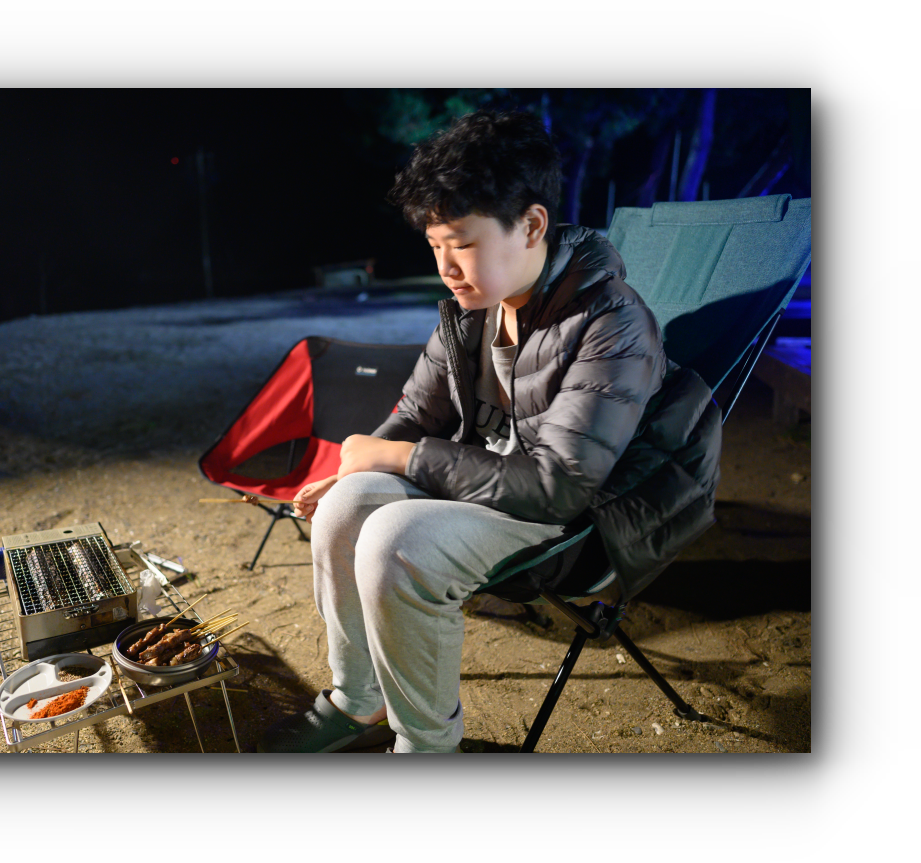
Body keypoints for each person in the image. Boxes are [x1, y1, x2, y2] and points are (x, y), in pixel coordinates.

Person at [255, 109, 718, 754]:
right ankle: (359, 700)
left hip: (575, 522)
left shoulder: (612, 324)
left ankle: (426, 743)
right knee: (345, 506)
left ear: (531, 226)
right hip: (485, 487)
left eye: (462, 244)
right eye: (434, 245)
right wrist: (359, 466)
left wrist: (398, 457)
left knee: (393, 538)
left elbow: (557, 488)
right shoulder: (472, 309)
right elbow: (417, 416)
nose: (446, 266)